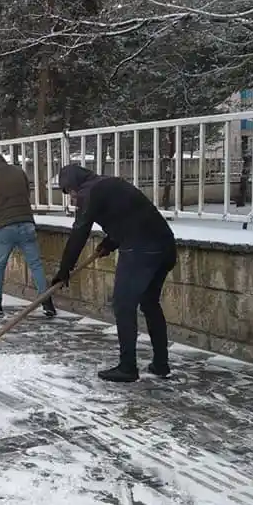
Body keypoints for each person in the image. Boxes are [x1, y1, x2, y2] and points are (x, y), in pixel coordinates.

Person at [50, 164, 176, 382]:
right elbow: (129, 218)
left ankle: (128, 368)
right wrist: (109, 243)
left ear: (74, 184)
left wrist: (64, 269)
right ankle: (161, 364)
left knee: (123, 305)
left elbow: (79, 232)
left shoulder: (88, 193)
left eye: (68, 190)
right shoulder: (109, 184)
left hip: (141, 250)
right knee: (149, 303)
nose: (70, 197)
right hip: (165, 246)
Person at [0, 152, 57, 317]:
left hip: (5, 227)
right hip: (27, 224)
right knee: (35, 264)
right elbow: (26, 193)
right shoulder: (18, 171)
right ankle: (47, 302)